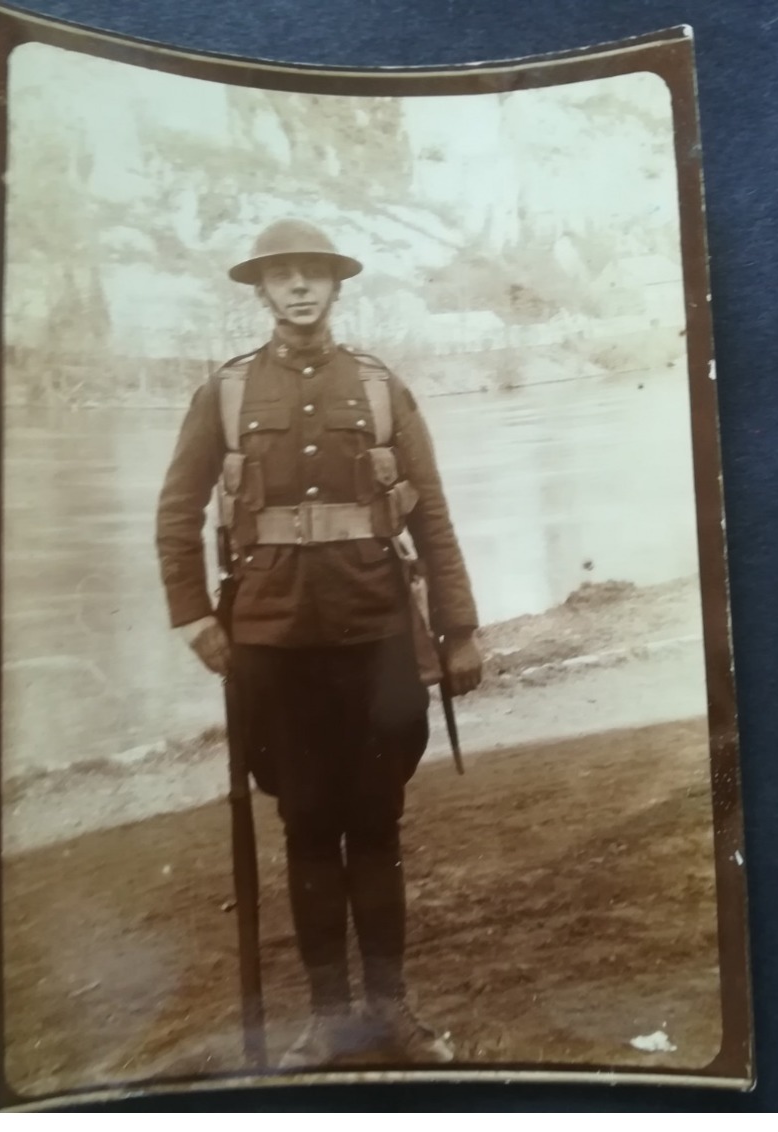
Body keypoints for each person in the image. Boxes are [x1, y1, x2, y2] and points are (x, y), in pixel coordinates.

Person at [155, 218, 483, 1068]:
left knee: (375, 826)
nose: (299, 288)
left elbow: (433, 514)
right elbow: (175, 511)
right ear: (261, 291)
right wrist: (193, 614)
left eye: (314, 274)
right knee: (305, 828)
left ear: (337, 287)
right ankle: (329, 1022)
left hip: (376, 641)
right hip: (270, 648)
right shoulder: (225, 394)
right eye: (283, 275)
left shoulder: (379, 388)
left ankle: (390, 1016)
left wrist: (461, 630)